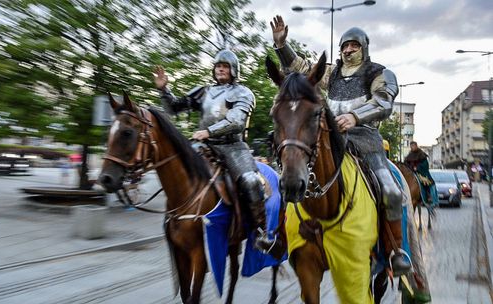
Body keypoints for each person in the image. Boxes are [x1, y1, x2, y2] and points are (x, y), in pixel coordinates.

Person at [270, 15, 411, 276]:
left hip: (366, 140)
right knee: (293, 173)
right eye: (344, 46)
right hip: (332, 138)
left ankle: (394, 251)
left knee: (390, 192)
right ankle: (281, 236)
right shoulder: (333, 73)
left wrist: (356, 116)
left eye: (353, 46)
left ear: (364, 48)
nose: (348, 50)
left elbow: (384, 102)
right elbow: (302, 69)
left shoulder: (379, 73)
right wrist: (281, 45)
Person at [154, 49, 283, 257]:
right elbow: (174, 108)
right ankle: (177, 217)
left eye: (225, 66)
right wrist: (164, 90)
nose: (220, 69)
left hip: (233, 147)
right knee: (178, 166)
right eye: (218, 66)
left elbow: (236, 121)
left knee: (250, 181)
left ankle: (262, 232)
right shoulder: (205, 92)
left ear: (233, 70)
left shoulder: (243, 93)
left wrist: (208, 131)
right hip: (204, 145)